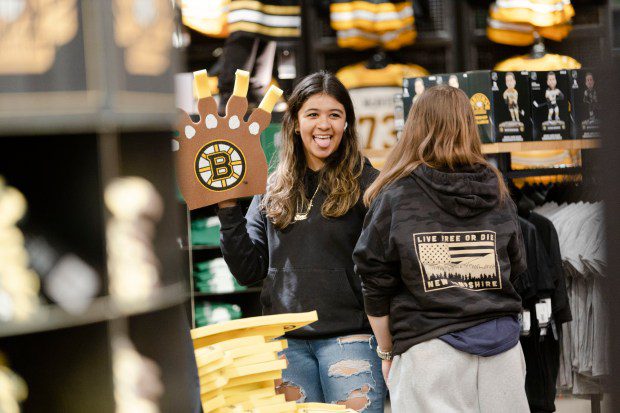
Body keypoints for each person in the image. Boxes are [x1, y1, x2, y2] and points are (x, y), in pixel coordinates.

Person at [353, 85, 529, 413]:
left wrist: (387, 351)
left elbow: (374, 281)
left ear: (415, 127)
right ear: (469, 127)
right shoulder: (497, 192)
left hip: (427, 351)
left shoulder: (395, 196)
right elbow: (517, 267)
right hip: (501, 348)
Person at [216, 71, 386, 412]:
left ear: (346, 124)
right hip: (286, 344)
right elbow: (248, 271)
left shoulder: (369, 184)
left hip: (350, 340)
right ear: (295, 123)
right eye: (313, 114)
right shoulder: (271, 187)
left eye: (334, 115)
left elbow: (383, 271)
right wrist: (228, 210)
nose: (324, 125)